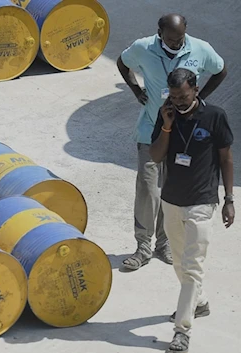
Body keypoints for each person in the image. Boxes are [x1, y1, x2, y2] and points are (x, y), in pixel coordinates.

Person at [116, 13, 228, 271]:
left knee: (171, 189)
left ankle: (163, 244)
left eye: (180, 39)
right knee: (147, 188)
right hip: (150, 131)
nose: (177, 43)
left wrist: (201, 98)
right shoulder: (143, 47)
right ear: (160, 34)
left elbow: (221, 70)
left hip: (184, 133)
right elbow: (123, 63)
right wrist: (136, 90)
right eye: (171, 39)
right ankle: (142, 246)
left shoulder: (200, 48)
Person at [149, 67, 234, 353]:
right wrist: (167, 125)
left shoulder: (215, 116)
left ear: (195, 89)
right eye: (173, 96)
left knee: (193, 267)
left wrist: (229, 199)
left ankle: (181, 330)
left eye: (183, 96)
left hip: (202, 201)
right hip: (171, 200)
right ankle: (199, 302)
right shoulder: (166, 115)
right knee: (178, 263)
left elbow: (226, 160)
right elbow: (156, 156)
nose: (179, 101)